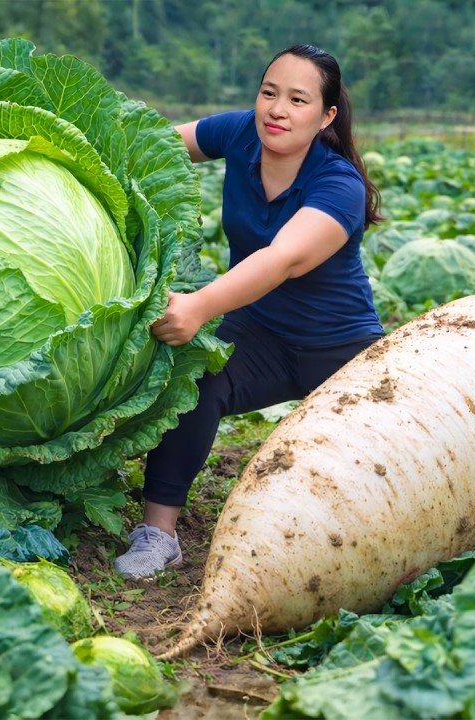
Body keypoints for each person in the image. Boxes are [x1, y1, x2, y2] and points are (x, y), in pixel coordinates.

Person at [114, 44, 386, 581]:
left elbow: (282, 259)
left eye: (298, 100)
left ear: (326, 116)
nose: (277, 110)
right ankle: (158, 533)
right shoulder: (240, 134)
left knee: (360, 461)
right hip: (258, 333)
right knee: (195, 378)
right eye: (269, 93)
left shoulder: (339, 185)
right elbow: (153, 148)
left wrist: (199, 305)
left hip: (340, 349)